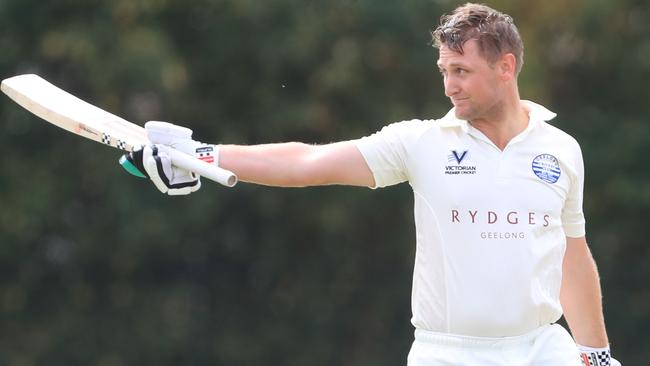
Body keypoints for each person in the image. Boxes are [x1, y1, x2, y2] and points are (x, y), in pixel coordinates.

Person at [120, 3, 619, 365]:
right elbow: (307, 162)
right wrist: (201, 154)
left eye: (462, 71)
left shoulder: (561, 149)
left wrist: (595, 354)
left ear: (506, 67)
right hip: (450, 354)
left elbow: (571, 256)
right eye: (445, 70)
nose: (449, 85)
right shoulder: (420, 143)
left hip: (541, 348)